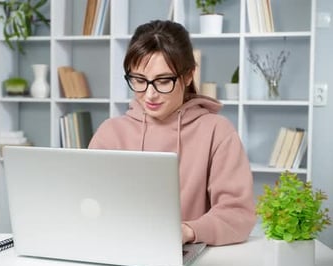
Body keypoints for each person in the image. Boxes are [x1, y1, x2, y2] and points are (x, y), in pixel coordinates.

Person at [88, 20, 256, 246]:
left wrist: (188, 231)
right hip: (116, 251)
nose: (150, 95)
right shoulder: (110, 133)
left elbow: (238, 216)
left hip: (189, 263)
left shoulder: (217, 131)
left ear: (188, 76)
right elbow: (88, 205)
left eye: (163, 81)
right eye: (139, 80)